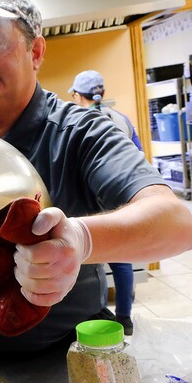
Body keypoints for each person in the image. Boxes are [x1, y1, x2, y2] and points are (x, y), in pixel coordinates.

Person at [0, 0, 192, 352]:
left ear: (35, 53)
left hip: (59, 356)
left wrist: (82, 239)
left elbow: (176, 225)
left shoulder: (81, 133)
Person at [69, 69, 142, 335]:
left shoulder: (76, 119)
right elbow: (139, 159)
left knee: (88, 264)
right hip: (118, 200)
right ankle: (124, 318)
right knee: (121, 261)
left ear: (77, 95)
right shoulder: (121, 120)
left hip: (86, 203)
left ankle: (95, 315)